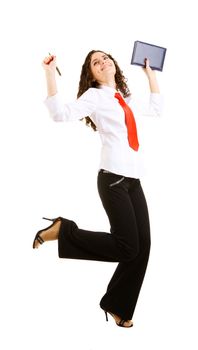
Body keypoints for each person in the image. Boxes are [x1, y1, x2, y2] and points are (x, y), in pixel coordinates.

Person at [33, 50, 162, 328]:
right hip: (112, 178)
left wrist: (150, 75)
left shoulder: (124, 99)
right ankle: (64, 230)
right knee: (128, 247)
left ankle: (118, 306)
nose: (103, 62)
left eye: (106, 58)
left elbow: (156, 108)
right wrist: (49, 73)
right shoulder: (94, 96)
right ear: (91, 74)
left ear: (114, 64)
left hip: (133, 180)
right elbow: (60, 114)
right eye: (96, 62)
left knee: (143, 246)